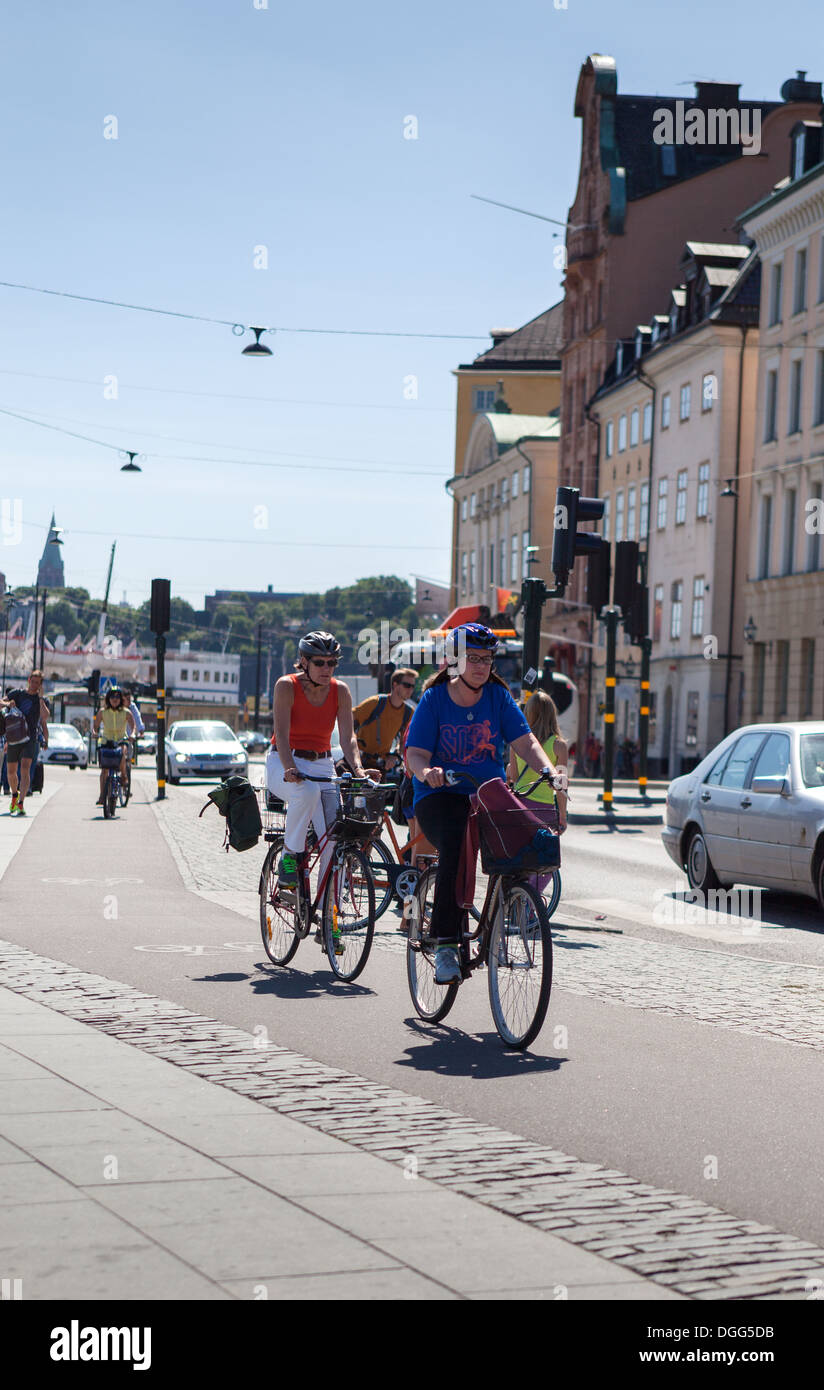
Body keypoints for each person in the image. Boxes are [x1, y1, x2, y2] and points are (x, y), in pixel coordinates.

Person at [405, 623, 566, 985]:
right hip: (440, 796)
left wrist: (549, 770)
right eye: (473, 658)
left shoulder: (497, 697)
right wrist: (427, 771)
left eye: (487, 658)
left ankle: (509, 901)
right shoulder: (434, 699)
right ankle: (446, 943)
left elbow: (526, 742)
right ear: (454, 661)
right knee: (456, 844)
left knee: (528, 836)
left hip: (487, 792)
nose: (481, 665)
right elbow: (414, 754)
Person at [266, 631, 370, 890]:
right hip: (283, 759)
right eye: (319, 662)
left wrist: (358, 769)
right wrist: (290, 768)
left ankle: (327, 917)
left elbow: (348, 738)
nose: (327, 668)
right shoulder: (286, 685)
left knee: (333, 840)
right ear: (303, 661)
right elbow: (281, 735)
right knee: (307, 791)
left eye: (332, 662)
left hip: (322, 763)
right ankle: (289, 857)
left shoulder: (341, 691)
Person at [507, 690, 567, 896]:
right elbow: (561, 785)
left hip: (520, 809)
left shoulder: (517, 743)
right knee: (548, 861)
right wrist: (563, 816)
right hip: (545, 811)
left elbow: (513, 778)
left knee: (521, 859)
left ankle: (518, 898)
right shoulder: (559, 746)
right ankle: (529, 900)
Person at [351, 668, 417, 775]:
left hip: (380, 767)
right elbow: (349, 720)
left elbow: (404, 742)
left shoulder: (409, 713)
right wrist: (352, 746)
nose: (410, 690)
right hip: (358, 762)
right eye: (407, 685)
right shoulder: (376, 703)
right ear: (395, 685)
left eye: (413, 686)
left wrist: (394, 756)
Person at [1, 670, 49, 816]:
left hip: (30, 738)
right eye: (32, 681)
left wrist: (40, 698)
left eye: (37, 683)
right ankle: (15, 794)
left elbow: (45, 716)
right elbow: (1, 702)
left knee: (25, 770)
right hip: (14, 736)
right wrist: (8, 703)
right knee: (11, 772)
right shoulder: (17, 693)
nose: (34, 685)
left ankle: (21, 803)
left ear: (40, 685)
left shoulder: (42, 700)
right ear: (29, 680)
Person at [93, 686, 135, 807]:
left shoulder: (126, 712)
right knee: (104, 769)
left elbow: (133, 727)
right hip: (107, 740)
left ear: (121, 698)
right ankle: (102, 795)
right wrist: (94, 733)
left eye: (117, 696)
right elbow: (95, 726)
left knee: (122, 751)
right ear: (108, 698)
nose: (114, 699)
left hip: (121, 739)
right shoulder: (102, 712)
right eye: (112, 696)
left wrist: (132, 735)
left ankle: (123, 776)